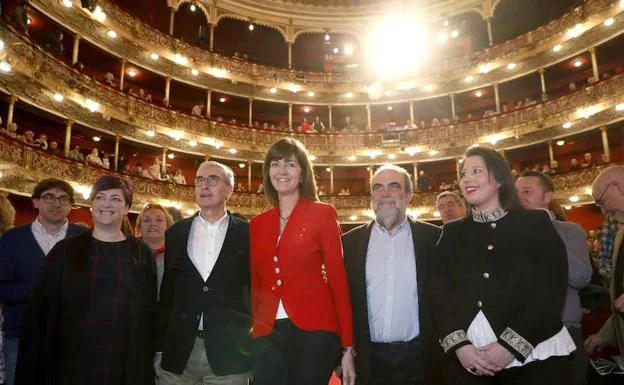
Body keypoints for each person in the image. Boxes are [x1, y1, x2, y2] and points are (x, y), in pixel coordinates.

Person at [430, 146, 575, 384]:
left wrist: (510, 346)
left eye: (476, 171)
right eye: (464, 173)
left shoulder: (534, 223)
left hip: (533, 359)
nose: (467, 179)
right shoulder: (451, 232)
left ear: (499, 178)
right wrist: (460, 346)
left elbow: (549, 290)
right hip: (467, 360)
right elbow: (439, 293)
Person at [14, 176, 156, 385]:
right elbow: (40, 313)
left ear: (127, 208)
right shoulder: (65, 250)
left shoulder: (141, 253)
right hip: (71, 358)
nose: (107, 204)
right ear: (92, 205)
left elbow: (148, 312)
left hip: (122, 359)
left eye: (116, 199)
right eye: (100, 197)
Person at [250, 138, 355, 385]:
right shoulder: (256, 224)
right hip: (268, 331)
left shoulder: (323, 213)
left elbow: (338, 281)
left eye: (290, 164)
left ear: (302, 173)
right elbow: (254, 285)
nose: (281, 171)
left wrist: (348, 346)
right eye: (274, 164)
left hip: (316, 330)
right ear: (267, 173)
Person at [342, 164, 443, 385]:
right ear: (371, 197)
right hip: (367, 359)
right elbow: (342, 302)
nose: (384, 193)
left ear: (408, 196)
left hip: (420, 358)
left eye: (393, 186)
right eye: (377, 187)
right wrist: (345, 350)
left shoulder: (435, 239)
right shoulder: (349, 243)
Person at [156, 161, 252, 385]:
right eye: (199, 180)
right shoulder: (175, 233)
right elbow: (168, 296)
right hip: (179, 353)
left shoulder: (248, 234)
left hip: (229, 355)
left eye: (212, 180)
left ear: (229, 190)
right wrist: (159, 349)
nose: (204, 186)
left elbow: (255, 292)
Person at [0, 179, 88, 385]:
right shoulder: (12, 238)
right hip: (20, 334)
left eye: (63, 198)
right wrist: (39, 290)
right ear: (36, 202)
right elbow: (2, 288)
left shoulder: (85, 238)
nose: (56, 203)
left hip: (70, 335)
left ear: (70, 205)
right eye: (49, 197)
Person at [516, 171, 592, 385]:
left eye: (528, 191)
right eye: (517, 192)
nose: (520, 197)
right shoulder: (509, 235)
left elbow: (581, 278)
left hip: (565, 329)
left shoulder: (570, 231)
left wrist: (548, 232)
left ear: (548, 197)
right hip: (522, 333)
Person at [584, 166, 624, 359]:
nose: (603, 210)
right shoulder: (620, 233)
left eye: (601, 202)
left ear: (618, 188)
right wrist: (604, 335)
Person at [135, 204, 174, 299]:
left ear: (168, 227)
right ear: (139, 228)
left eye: (159, 220)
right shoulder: (129, 253)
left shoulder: (177, 256)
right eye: (147, 220)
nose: (153, 223)